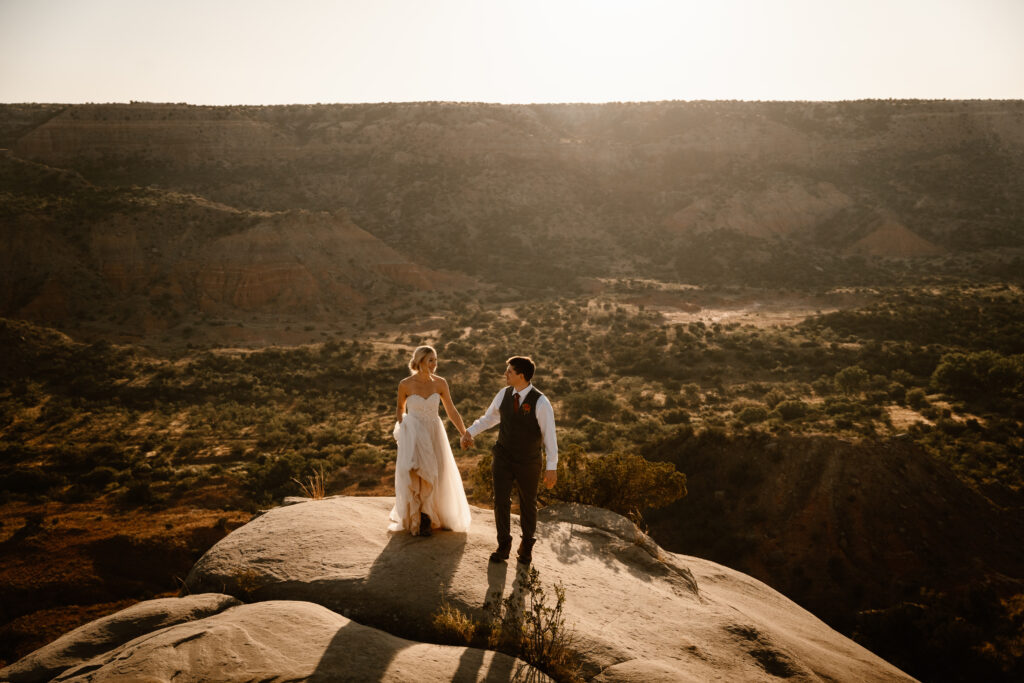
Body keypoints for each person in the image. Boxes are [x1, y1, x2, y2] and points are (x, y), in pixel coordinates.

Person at [461, 356, 557, 565]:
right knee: (500, 501)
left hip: (529, 461)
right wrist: (470, 432)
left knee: (528, 503)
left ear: (521, 375)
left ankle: (526, 547)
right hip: (503, 456)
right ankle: (504, 545)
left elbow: (550, 436)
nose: (506, 374)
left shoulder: (541, 402)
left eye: (509, 371)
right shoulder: (503, 394)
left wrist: (552, 467)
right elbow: (490, 418)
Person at [390, 346, 472, 536]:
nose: (435, 364)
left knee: (438, 472)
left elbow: (451, 411)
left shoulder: (441, 383)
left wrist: (464, 432)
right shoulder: (405, 384)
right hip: (414, 434)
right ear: (420, 361)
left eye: (436, 360)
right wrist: (403, 431)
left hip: (434, 432)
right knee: (417, 474)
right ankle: (422, 518)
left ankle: (436, 515)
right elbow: (400, 410)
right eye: (431, 360)